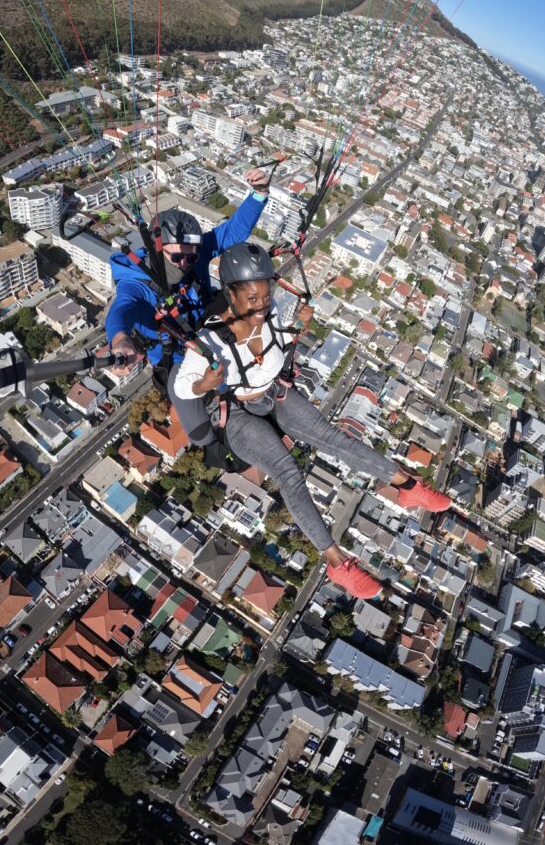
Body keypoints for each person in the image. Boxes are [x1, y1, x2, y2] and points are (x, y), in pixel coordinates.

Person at [172, 243, 452, 599]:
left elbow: (275, 346)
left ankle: (409, 487)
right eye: (252, 299)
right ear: (231, 294)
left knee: (332, 438)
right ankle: (339, 565)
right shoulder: (211, 339)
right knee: (289, 473)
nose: (261, 306)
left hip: (272, 393)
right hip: (238, 411)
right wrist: (204, 384)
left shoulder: (270, 314)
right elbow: (184, 386)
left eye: (266, 296)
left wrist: (295, 329)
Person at [105, 169, 272, 447]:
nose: (184, 263)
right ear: (159, 248)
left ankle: (253, 393)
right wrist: (120, 339)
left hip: (211, 328)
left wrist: (259, 194)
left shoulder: (197, 252)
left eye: (190, 256)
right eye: (177, 256)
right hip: (178, 354)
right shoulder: (138, 281)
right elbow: (122, 308)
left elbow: (233, 231)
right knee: (189, 411)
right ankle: (212, 440)